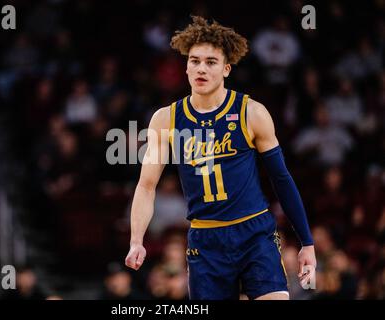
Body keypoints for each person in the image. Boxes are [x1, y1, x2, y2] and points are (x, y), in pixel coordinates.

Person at [125, 16, 316, 300]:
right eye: (194, 61)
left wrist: (307, 242)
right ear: (186, 67)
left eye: (211, 62)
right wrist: (136, 240)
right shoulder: (166, 119)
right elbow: (146, 186)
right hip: (206, 240)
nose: (201, 68)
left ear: (226, 69)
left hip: (254, 232)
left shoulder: (251, 112)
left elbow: (281, 178)